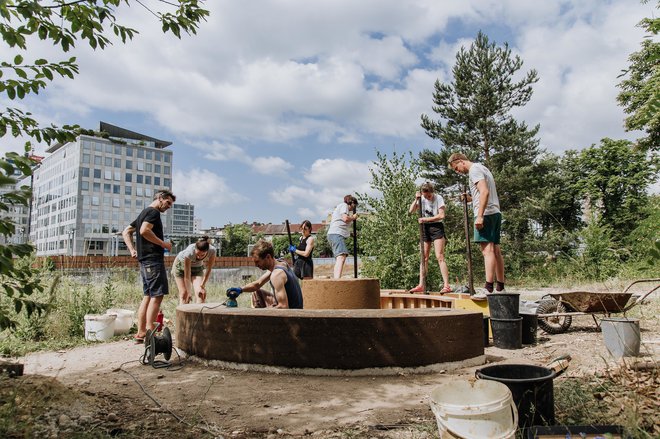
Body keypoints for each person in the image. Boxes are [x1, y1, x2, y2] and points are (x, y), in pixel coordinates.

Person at [122, 189, 176, 343]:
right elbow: (144, 230)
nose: (168, 206)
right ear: (160, 198)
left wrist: (133, 250)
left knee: (148, 296)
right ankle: (151, 335)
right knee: (157, 296)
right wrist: (163, 244)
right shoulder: (153, 213)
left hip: (145, 260)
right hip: (152, 259)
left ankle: (141, 333)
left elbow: (126, 231)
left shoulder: (143, 213)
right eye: (168, 203)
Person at [448, 153, 505, 299]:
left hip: (485, 214)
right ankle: (500, 287)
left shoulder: (474, 170)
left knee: (488, 251)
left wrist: (479, 215)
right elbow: (483, 193)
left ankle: (488, 288)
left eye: (456, 168)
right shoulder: (483, 168)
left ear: (460, 161)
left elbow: (484, 192)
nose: (457, 171)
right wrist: (470, 199)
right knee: (496, 251)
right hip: (495, 212)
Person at [227, 240, 303, 309]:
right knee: (257, 293)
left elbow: (283, 307)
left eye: (257, 262)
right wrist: (240, 289)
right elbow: (258, 284)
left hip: (293, 318)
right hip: (295, 310)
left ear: (268, 257)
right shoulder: (281, 263)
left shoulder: (277, 275)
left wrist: (260, 313)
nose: (256, 265)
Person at [408, 182, 452, 294]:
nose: (427, 197)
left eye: (429, 196)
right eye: (425, 196)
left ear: (432, 192)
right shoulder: (421, 198)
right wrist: (416, 199)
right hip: (424, 228)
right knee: (424, 257)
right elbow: (411, 211)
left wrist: (425, 219)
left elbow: (441, 215)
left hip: (436, 227)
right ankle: (421, 284)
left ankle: (447, 285)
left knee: (439, 256)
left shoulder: (439, 198)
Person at [172, 236, 217, 304]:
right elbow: (187, 274)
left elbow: (209, 269)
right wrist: (189, 292)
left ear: (207, 251)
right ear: (195, 248)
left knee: (200, 294)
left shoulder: (212, 251)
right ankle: (183, 313)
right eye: (197, 254)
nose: (199, 257)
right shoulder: (189, 252)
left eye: (202, 255)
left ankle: (199, 314)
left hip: (197, 268)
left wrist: (202, 286)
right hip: (181, 266)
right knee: (184, 294)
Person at [327, 195, 358, 278]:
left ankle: (336, 279)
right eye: (354, 206)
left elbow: (342, 224)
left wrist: (351, 234)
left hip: (335, 234)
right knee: (341, 256)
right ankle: (337, 280)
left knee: (340, 257)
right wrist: (353, 217)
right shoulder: (344, 206)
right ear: (351, 202)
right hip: (336, 234)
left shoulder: (342, 208)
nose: (353, 209)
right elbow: (345, 219)